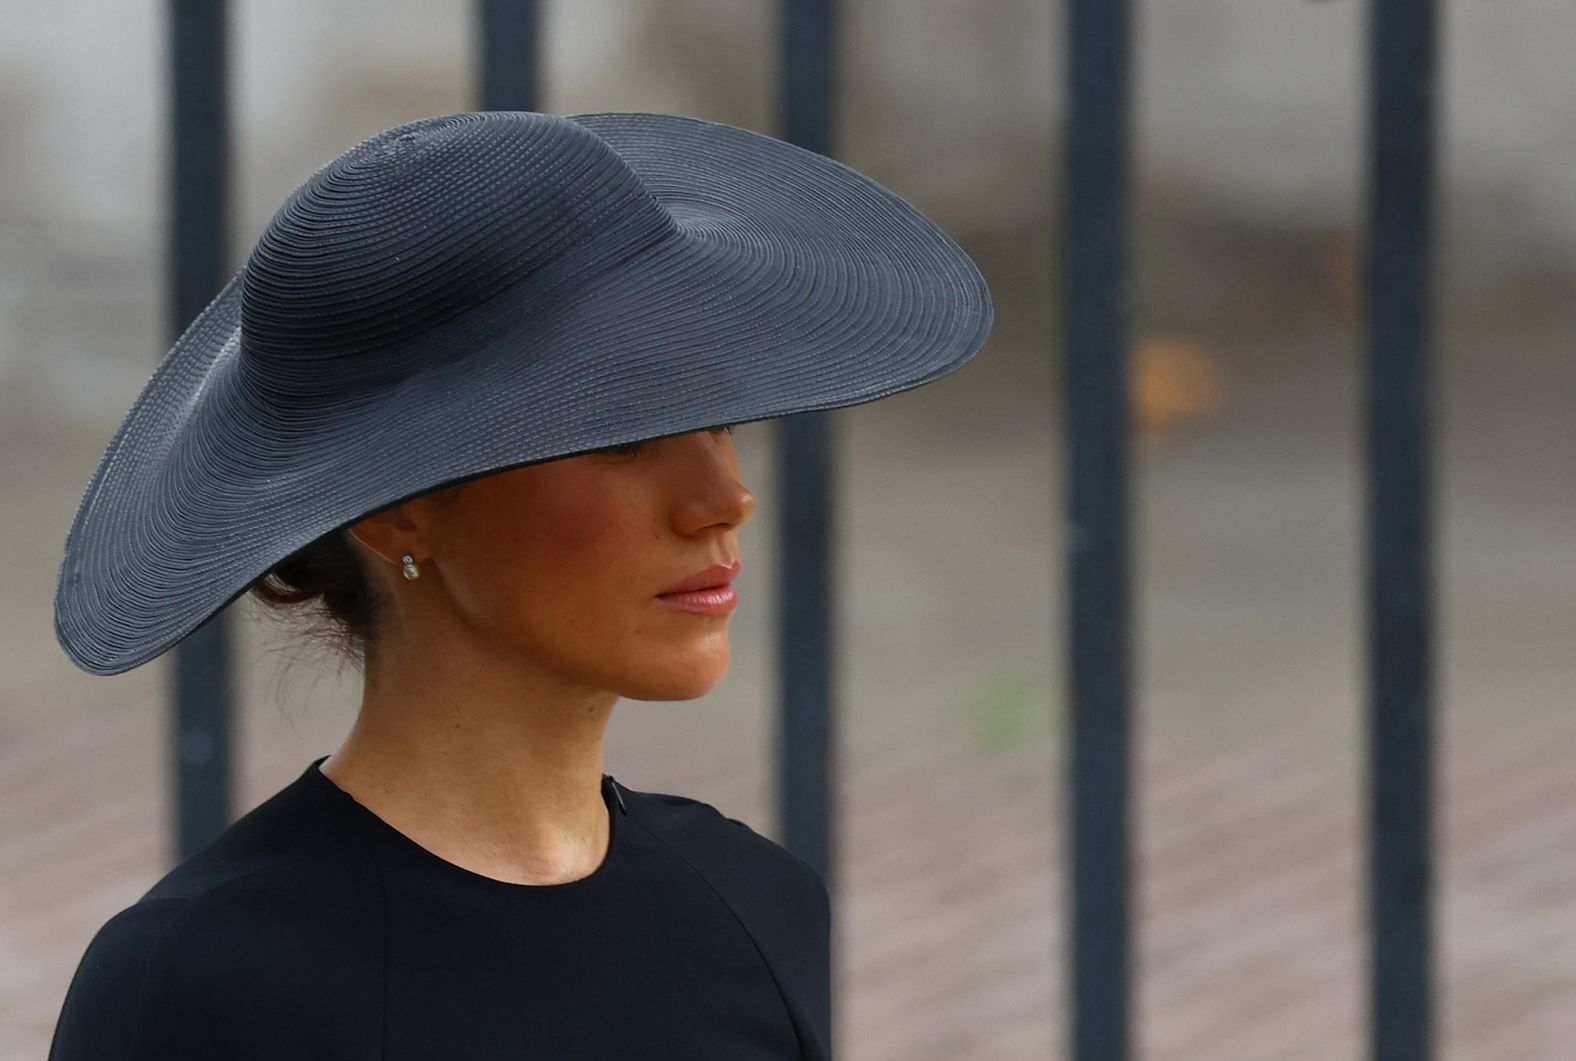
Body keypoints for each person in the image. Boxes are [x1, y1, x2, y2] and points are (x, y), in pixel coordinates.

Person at [47, 109, 992, 1059]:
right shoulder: (201, 987)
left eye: (720, 418)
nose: (726, 498)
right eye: (626, 432)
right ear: (396, 509)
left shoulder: (754, 905)